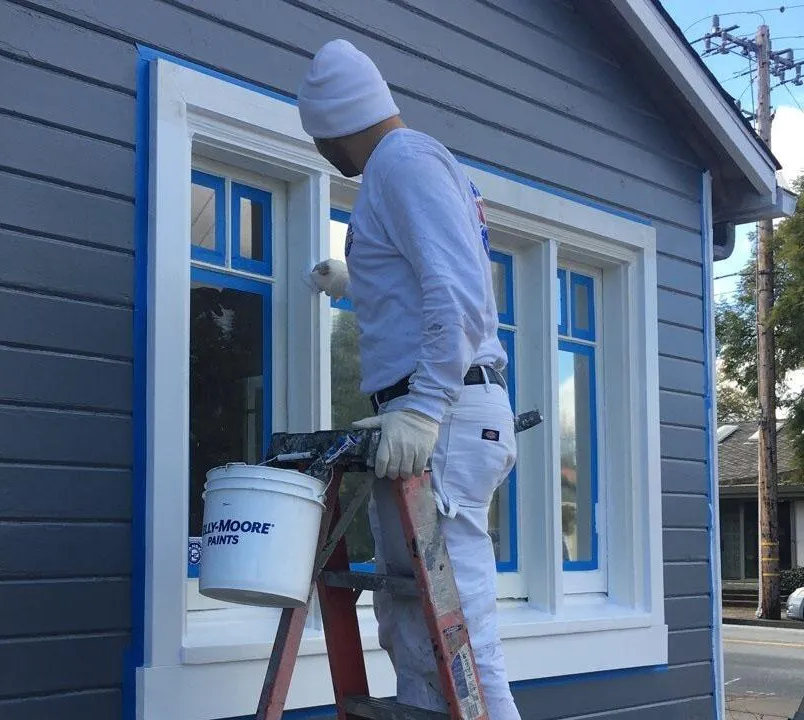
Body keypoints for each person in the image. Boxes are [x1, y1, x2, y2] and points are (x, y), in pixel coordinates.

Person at [298, 39, 522, 719]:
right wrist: (356, 282)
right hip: (437, 416)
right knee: (411, 606)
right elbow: (423, 280)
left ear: (335, 122)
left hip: (442, 417)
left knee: (460, 623)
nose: (322, 152)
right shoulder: (406, 169)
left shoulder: (404, 162)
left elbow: (458, 290)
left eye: (318, 137)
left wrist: (423, 408)